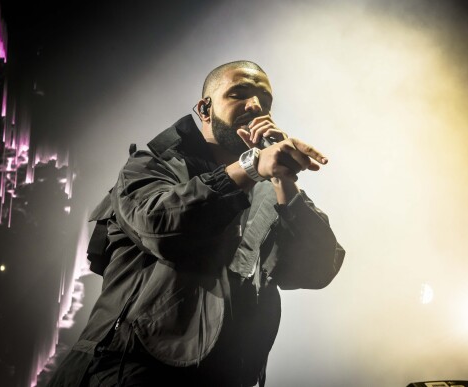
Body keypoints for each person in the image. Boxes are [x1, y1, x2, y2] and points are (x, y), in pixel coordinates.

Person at [47, 60, 345, 387]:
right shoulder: (153, 164)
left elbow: (317, 269)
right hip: (125, 368)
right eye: (239, 93)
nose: (257, 106)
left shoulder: (268, 190)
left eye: (265, 100)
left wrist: (284, 179)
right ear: (205, 108)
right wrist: (251, 165)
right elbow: (161, 226)